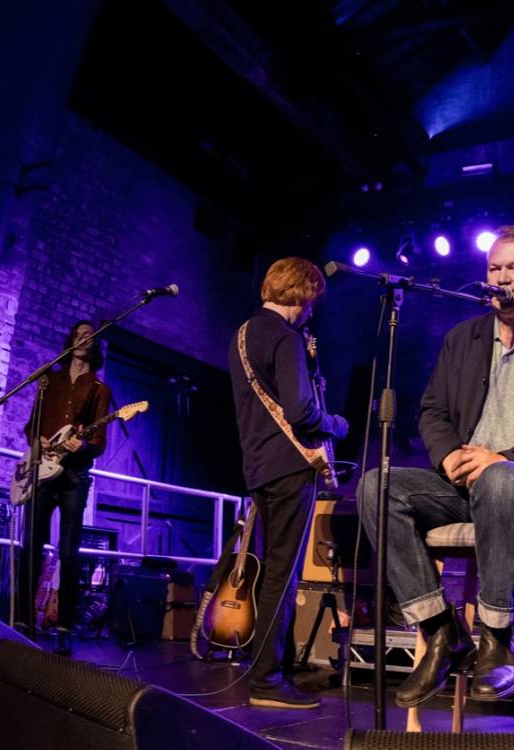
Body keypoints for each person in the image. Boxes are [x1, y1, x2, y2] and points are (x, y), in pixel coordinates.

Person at [359, 224, 514, 706]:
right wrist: (449, 455)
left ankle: (497, 637)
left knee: (501, 479)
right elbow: (432, 411)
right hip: (467, 486)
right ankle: (441, 631)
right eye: (494, 267)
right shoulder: (463, 338)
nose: (501, 276)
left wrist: (501, 459)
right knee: (377, 485)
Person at [228, 257, 349, 708]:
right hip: (290, 466)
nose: (312, 310)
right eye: (312, 300)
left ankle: (261, 670)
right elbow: (300, 412)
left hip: (257, 465)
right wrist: (337, 424)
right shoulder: (285, 337)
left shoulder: (241, 333)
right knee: (283, 574)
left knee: (269, 572)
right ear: (300, 294)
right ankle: (266, 681)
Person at [18, 321, 111, 655]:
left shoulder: (99, 390)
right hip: (42, 473)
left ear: (95, 346)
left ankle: (64, 627)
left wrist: (81, 447)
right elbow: (30, 427)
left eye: (91, 335)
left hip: (74, 478)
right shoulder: (49, 381)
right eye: (80, 333)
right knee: (30, 545)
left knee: (69, 553)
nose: (85, 338)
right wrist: (38, 441)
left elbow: (99, 441)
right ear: (71, 340)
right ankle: (23, 620)